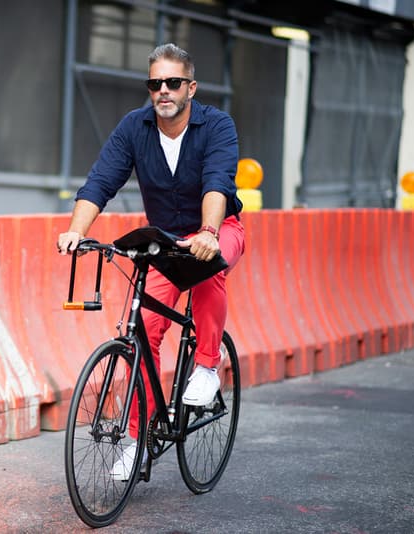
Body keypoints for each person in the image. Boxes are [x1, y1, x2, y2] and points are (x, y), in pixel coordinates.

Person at [56, 43, 246, 480]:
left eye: (173, 82)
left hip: (220, 229)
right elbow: (101, 180)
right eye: (155, 83)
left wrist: (209, 232)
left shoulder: (216, 126)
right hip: (164, 240)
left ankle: (205, 365)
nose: (163, 90)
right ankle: (139, 441)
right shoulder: (134, 127)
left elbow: (218, 181)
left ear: (190, 88)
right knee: (145, 329)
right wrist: (76, 232)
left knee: (207, 265)